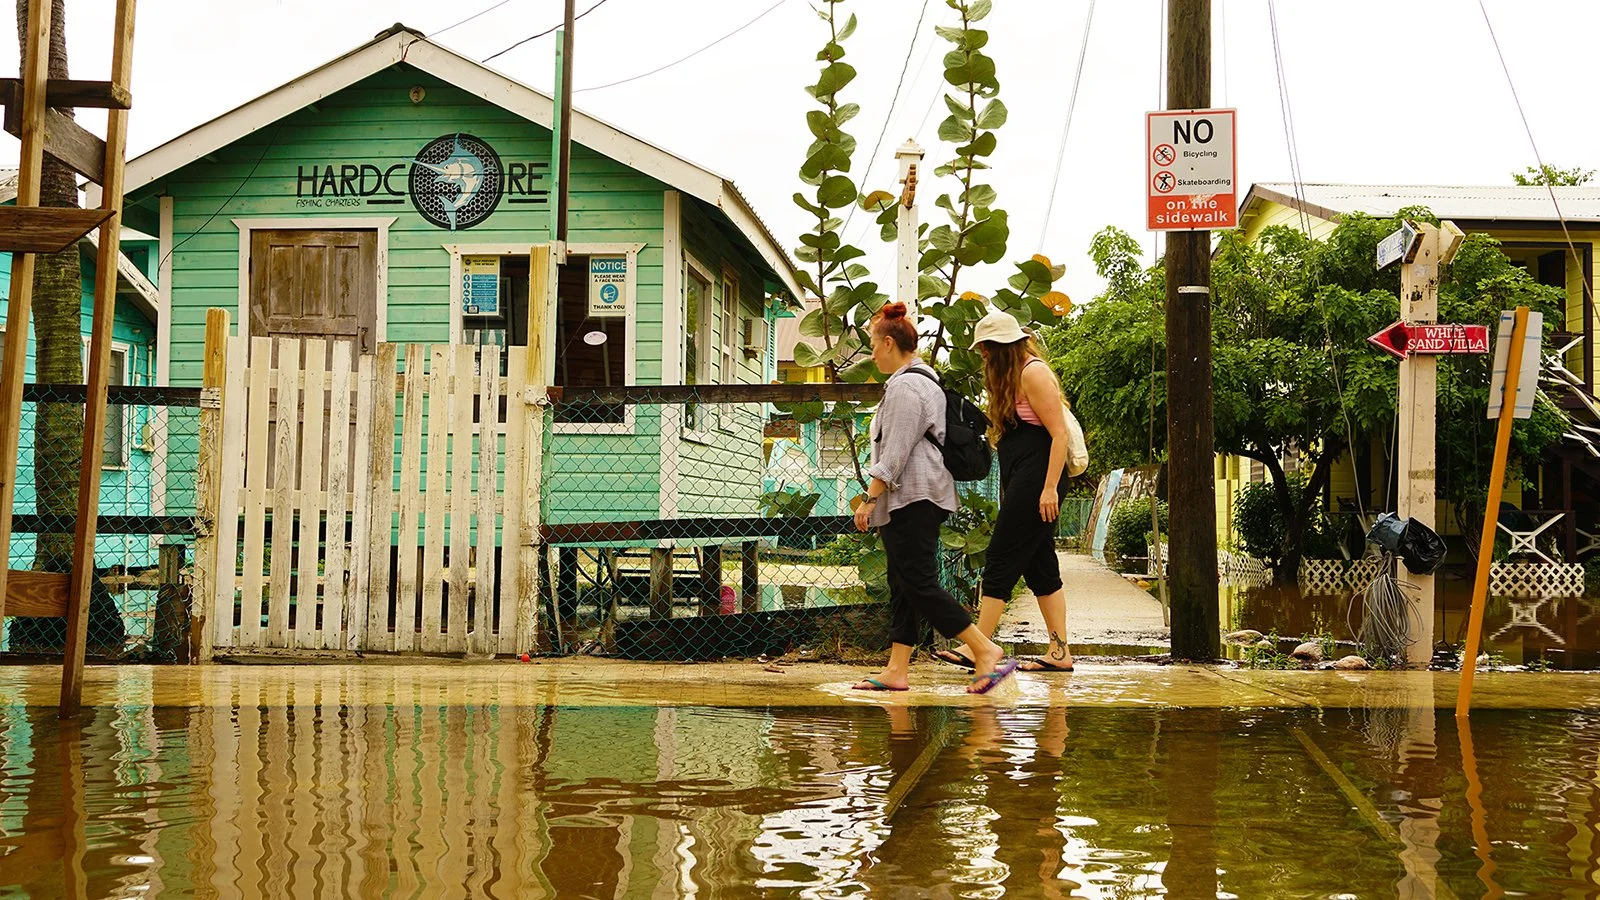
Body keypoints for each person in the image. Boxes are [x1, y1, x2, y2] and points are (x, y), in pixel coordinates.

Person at [852, 302, 1018, 695]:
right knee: (904, 584)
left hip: (913, 498)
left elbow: (895, 452)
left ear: (889, 343)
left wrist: (870, 499)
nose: (872, 355)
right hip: (915, 497)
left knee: (919, 583)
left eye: (873, 346)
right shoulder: (920, 381)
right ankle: (896, 669)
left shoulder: (907, 387)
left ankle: (984, 648)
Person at [938, 310, 1075, 673]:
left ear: (1003, 346)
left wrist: (1049, 489)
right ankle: (1060, 652)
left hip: (1040, 477)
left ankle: (979, 645)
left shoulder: (1033, 373)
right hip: (1023, 474)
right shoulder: (1010, 377)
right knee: (1039, 564)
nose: (982, 354)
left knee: (1001, 554)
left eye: (986, 347)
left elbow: (1059, 434)